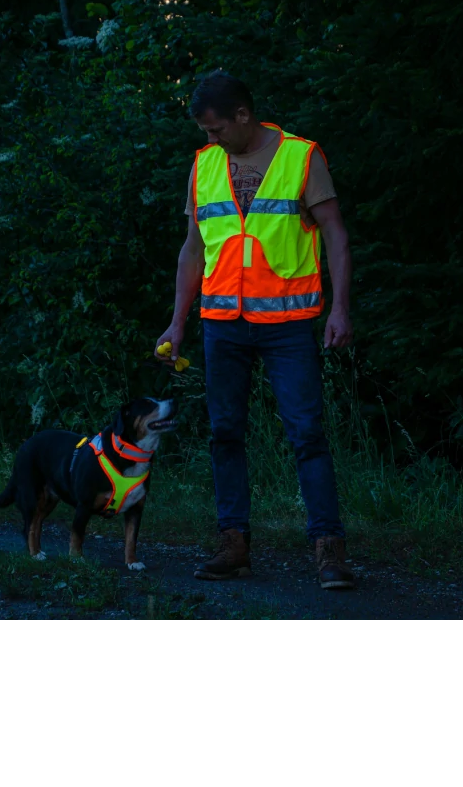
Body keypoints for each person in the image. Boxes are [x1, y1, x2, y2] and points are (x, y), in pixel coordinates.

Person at [155, 70, 356, 590]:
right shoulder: (205, 164)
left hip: (289, 324)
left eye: (215, 128)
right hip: (222, 324)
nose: (209, 139)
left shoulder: (301, 156)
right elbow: (194, 246)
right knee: (225, 434)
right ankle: (233, 545)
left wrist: (339, 310)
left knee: (306, 434)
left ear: (242, 115)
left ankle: (327, 548)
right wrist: (178, 322)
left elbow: (334, 231)